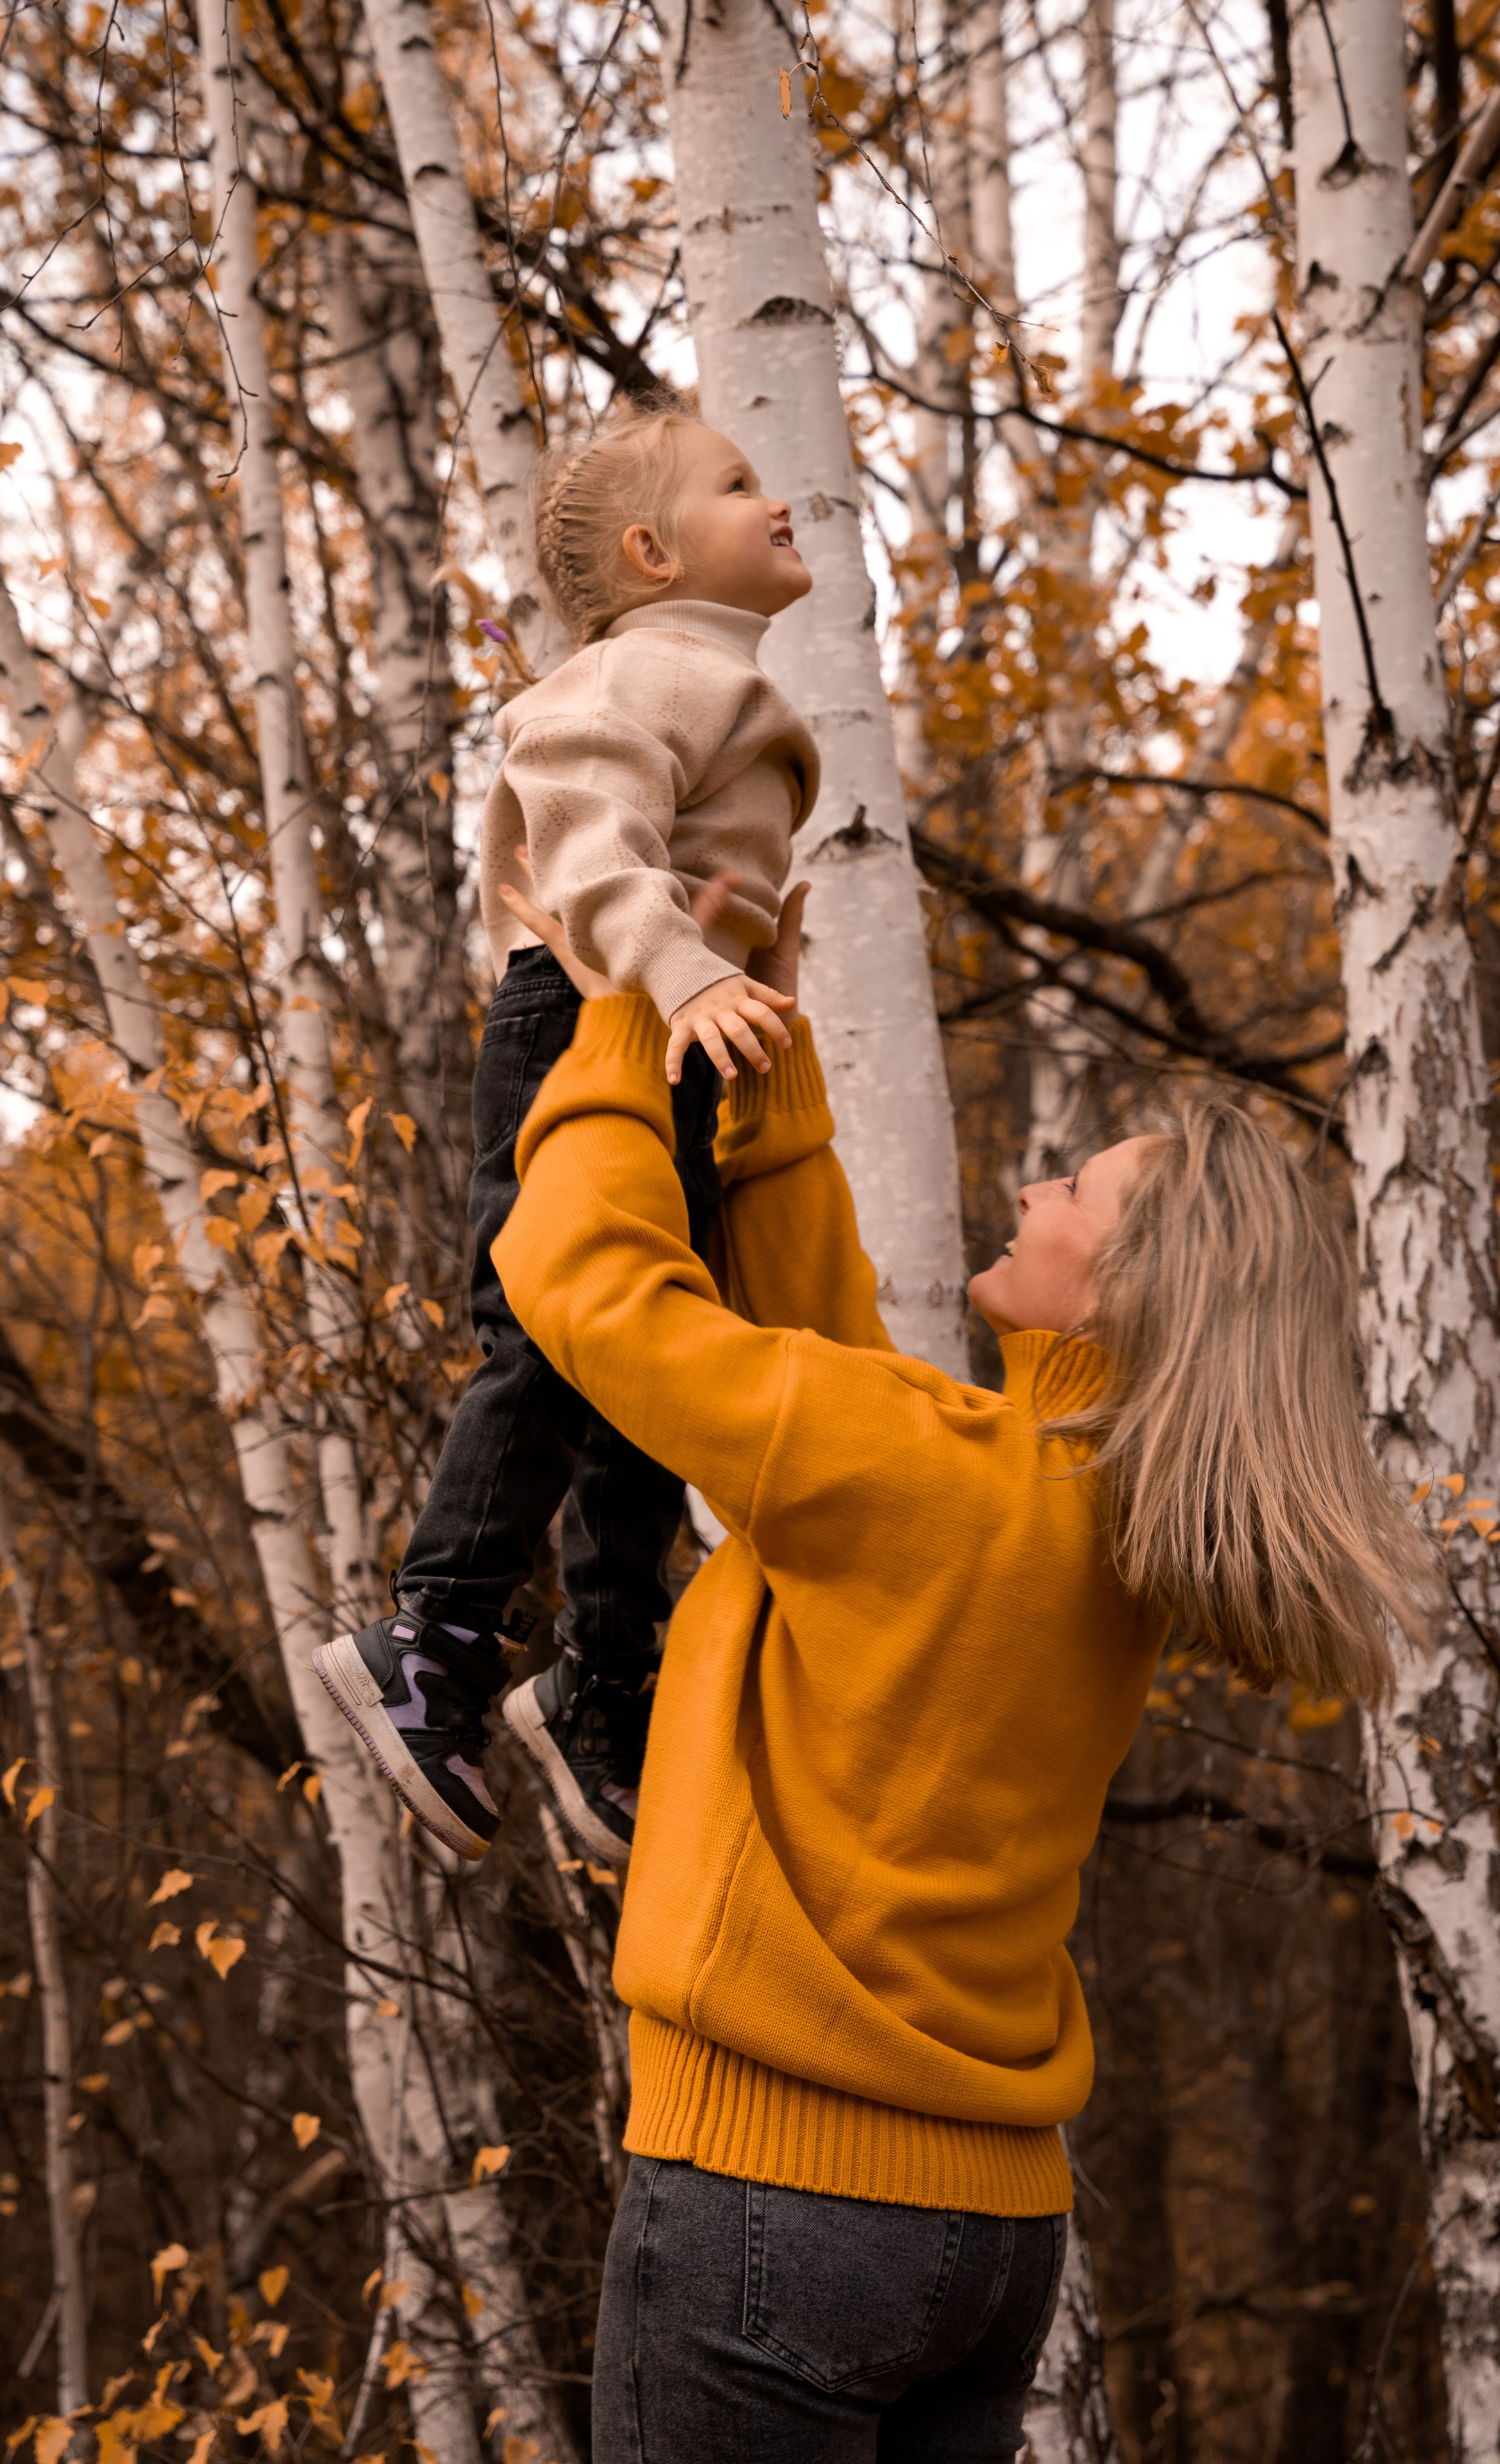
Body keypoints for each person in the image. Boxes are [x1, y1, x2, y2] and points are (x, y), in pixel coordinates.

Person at [486, 875, 1438, 2462]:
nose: (1033, 1184)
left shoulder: (933, 1480)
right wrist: (762, 1061)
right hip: (986, 2244)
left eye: (1071, 1184)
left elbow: (584, 1285)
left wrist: (613, 1010)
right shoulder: (1085, 1518)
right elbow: (835, 1376)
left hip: (771, 2209)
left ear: (1128, 1286)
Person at [314, 407, 820, 1865]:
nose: (774, 495)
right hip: (579, 1022)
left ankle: (602, 1677)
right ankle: (437, 1644)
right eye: (740, 483)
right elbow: (590, 839)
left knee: (654, 1357)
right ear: (655, 554)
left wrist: (737, 987)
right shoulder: (631, 673)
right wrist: (683, 972)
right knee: (548, 1335)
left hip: (673, 1033)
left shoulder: (711, 676)